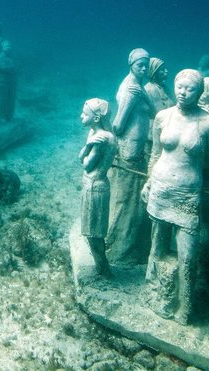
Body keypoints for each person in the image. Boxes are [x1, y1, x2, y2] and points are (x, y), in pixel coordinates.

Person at [142, 69, 209, 324]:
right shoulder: (163, 116)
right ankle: (155, 294)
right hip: (161, 188)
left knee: (187, 255)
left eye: (189, 89)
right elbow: (154, 154)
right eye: (179, 87)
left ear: (199, 92)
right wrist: (148, 182)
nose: (183, 92)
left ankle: (185, 307)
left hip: (188, 193)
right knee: (156, 246)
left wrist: (208, 198)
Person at [107, 49, 156, 264]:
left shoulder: (136, 86)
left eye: (146, 65)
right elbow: (118, 125)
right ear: (131, 64)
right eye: (140, 65)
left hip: (135, 149)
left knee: (132, 199)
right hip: (130, 149)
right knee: (126, 199)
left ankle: (129, 244)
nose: (144, 69)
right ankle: (121, 247)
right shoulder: (132, 89)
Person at [78, 99, 118, 278]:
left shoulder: (101, 138)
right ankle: (102, 269)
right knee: (92, 233)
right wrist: (87, 145)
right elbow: (82, 158)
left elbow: (86, 164)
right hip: (92, 185)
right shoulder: (95, 133)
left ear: (96, 118)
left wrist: (89, 146)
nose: (81, 116)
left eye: (85, 114)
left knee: (94, 234)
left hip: (95, 186)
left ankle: (104, 271)